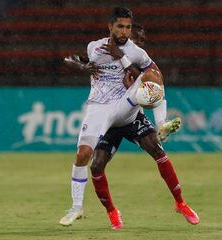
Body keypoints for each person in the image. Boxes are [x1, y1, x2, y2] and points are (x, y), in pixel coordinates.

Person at [60, 13, 181, 226]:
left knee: (153, 84)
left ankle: (162, 125)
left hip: (125, 103)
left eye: (127, 27)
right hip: (99, 107)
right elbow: (69, 59)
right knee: (84, 155)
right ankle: (77, 208)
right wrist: (83, 66)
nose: (124, 31)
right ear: (111, 27)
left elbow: (155, 75)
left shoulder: (135, 52)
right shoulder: (94, 47)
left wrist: (123, 60)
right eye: (120, 27)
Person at [89, 58, 199, 230]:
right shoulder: (104, 59)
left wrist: (161, 124)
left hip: (132, 118)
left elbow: (156, 93)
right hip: (109, 121)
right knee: (96, 166)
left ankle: (180, 203)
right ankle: (112, 211)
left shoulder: (141, 63)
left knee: (158, 150)